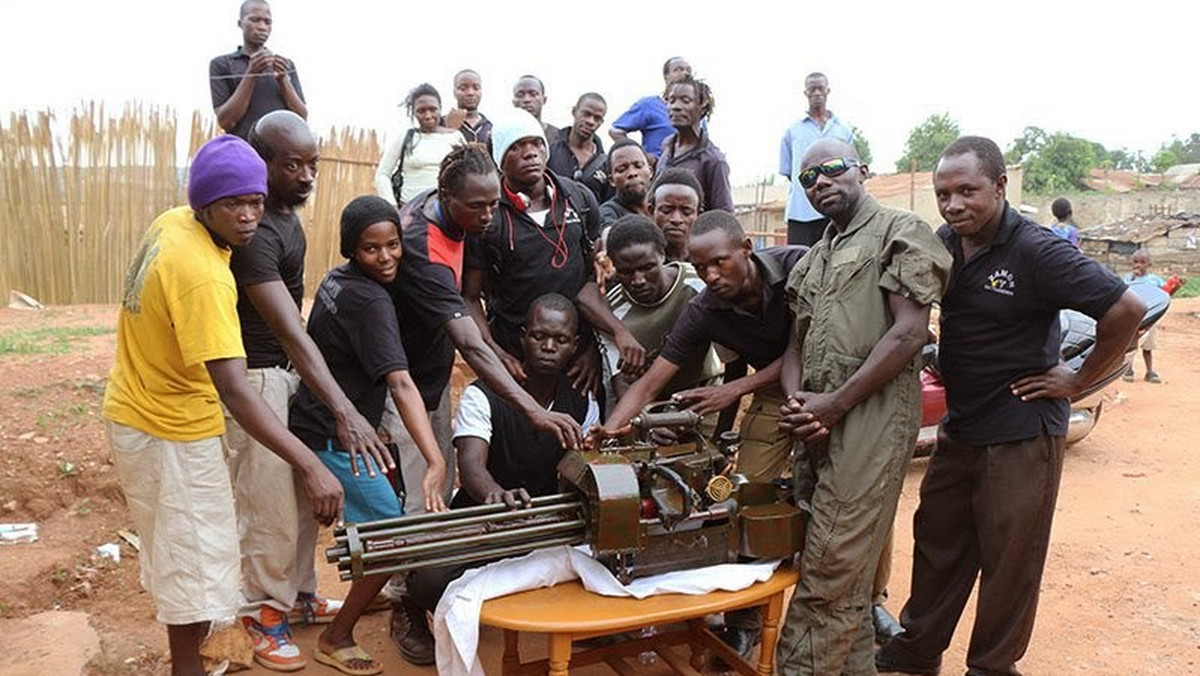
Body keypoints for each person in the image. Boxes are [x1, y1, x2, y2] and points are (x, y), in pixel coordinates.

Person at [876, 137, 1145, 676]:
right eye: (944, 193)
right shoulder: (946, 242)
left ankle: (992, 667)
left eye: (967, 191)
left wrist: (1079, 379)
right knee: (938, 544)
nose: (954, 205)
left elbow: (1126, 308)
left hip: (1022, 433)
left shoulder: (1038, 251)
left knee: (1010, 561)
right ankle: (918, 650)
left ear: (999, 187)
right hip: (963, 426)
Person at [101, 135, 343, 676]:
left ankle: (217, 662)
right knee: (195, 572)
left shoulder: (173, 223)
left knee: (200, 562)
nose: (249, 215)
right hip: (171, 429)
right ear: (205, 204)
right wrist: (311, 465)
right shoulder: (205, 277)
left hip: (145, 410)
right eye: (234, 204)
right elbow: (234, 388)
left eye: (256, 202)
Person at [380, 143, 585, 665]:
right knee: (416, 501)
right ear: (447, 196)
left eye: (496, 204)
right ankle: (405, 602)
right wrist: (532, 410)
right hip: (397, 378)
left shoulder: (458, 215)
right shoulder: (420, 246)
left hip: (426, 368)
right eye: (479, 207)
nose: (490, 216)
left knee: (430, 484)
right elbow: (471, 344)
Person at [774, 139, 952, 675]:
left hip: (870, 422)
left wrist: (833, 405)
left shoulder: (900, 232)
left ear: (861, 170)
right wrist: (798, 402)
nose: (820, 182)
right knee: (841, 575)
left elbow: (909, 333)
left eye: (831, 170)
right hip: (818, 425)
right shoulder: (814, 258)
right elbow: (794, 348)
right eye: (808, 179)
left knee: (828, 571)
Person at [597, 210, 806, 658]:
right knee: (743, 493)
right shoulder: (704, 308)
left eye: (721, 262)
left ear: (747, 249)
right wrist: (611, 430)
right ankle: (743, 621)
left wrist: (735, 388)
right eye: (702, 265)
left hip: (830, 381)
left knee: (849, 488)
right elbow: (651, 381)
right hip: (772, 395)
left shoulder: (796, 267)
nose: (711, 275)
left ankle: (872, 604)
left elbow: (802, 347)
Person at [229, 110, 390, 671]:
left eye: (311, 164)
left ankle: (298, 595)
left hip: (285, 377)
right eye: (291, 164)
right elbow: (289, 330)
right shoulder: (253, 234)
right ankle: (261, 611)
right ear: (262, 163)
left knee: (299, 498)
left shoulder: (286, 222)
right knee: (269, 499)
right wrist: (342, 408)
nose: (305, 176)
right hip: (255, 378)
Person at [288, 195, 449, 676]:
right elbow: (400, 383)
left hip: (318, 421)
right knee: (390, 537)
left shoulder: (336, 282)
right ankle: (337, 638)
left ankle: (337, 599)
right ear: (351, 249)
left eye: (393, 245)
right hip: (337, 437)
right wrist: (435, 459)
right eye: (371, 249)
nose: (386, 258)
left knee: (372, 534)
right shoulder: (372, 301)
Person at [406, 294, 599, 621]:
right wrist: (495, 495)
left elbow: (583, 467)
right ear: (524, 338)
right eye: (539, 336)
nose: (549, 346)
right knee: (429, 580)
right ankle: (411, 615)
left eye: (561, 340)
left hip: (544, 522)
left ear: (575, 346)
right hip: (485, 518)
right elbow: (471, 465)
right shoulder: (484, 394)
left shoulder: (583, 402)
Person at [462, 109, 645, 397]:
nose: (530, 153)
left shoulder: (580, 198)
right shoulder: (488, 215)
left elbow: (595, 279)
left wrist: (591, 350)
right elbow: (470, 297)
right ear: (499, 159)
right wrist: (496, 354)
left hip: (576, 356)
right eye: (517, 147)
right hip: (516, 353)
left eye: (536, 143)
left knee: (579, 431)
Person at [601, 215, 721, 402]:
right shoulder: (612, 312)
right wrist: (648, 422)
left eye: (648, 267)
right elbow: (621, 383)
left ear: (662, 255)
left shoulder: (698, 284)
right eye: (626, 272)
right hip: (648, 404)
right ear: (614, 266)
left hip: (706, 392)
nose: (638, 280)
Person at [209, 0, 306, 140]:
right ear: (240, 23)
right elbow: (226, 121)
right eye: (255, 20)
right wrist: (251, 74)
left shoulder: (285, 66)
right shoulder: (222, 64)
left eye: (267, 22)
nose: (262, 27)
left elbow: (302, 118)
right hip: (243, 152)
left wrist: (283, 80)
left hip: (281, 156)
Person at [779, 72, 855, 247]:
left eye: (820, 89)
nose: (817, 93)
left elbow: (850, 167)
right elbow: (790, 173)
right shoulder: (792, 132)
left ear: (828, 91)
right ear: (805, 93)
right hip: (801, 213)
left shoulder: (843, 130)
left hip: (836, 212)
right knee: (800, 263)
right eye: (812, 89)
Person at [373, 83, 465, 207]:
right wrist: (392, 206)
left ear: (440, 109)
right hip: (410, 211)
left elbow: (467, 173)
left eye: (433, 109)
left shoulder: (455, 137)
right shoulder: (406, 137)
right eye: (421, 111)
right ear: (414, 113)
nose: (428, 116)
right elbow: (382, 174)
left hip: (446, 213)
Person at [656, 74, 733, 213]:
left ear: (702, 108)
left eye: (685, 101)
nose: (676, 107)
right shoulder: (666, 146)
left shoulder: (714, 160)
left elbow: (724, 215)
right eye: (671, 101)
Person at [609, 57, 693, 161]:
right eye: (678, 69)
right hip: (660, 173)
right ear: (666, 77)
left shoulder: (697, 111)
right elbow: (616, 131)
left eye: (688, 70)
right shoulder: (649, 105)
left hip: (691, 172)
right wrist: (642, 156)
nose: (685, 73)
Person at [548, 92, 611, 203]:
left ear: (601, 122)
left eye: (597, 118)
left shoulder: (606, 164)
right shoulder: (550, 151)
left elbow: (608, 201)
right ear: (574, 112)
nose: (590, 121)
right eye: (586, 114)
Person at [1123, 248, 1166, 383]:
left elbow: (1165, 294)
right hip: (1133, 318)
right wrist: (1133, 278)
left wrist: (1176, 286)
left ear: (1149, 264)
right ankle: (1128, 370)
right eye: (1135, 262)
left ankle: (1150, 371)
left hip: (1150, 317)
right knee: (1131, 346)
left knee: (1148, 346)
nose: (1138, 265)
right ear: (1131, 263)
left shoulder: (1154, 280)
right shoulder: (1128, 279)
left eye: (1143, 262)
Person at [649, 168, 704, 262]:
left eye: (686, 212)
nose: (676, 219)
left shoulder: (706, 261)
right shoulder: (641, 262)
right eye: (666, 210)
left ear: (698, 215)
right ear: (651, 211)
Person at [599, 139, 653, 227]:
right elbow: (608, 233)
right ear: (612, 180)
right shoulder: (608, 212)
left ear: (650, 172)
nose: (632, 173)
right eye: (622, 169)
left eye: (638, 166)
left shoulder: (662, 207)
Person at [444, 69, 492, 147]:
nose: (470, 92)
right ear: (454, 92)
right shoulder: (442, 124)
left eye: (476, 88)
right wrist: (449, 130)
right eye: (463, 88)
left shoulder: (491, 127)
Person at [512, 74, 559, 144]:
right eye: (520, 95)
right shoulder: (502, 136)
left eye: (533, 94)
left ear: (544, 100)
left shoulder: (559, 137)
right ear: (514, 102)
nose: (526, 99)